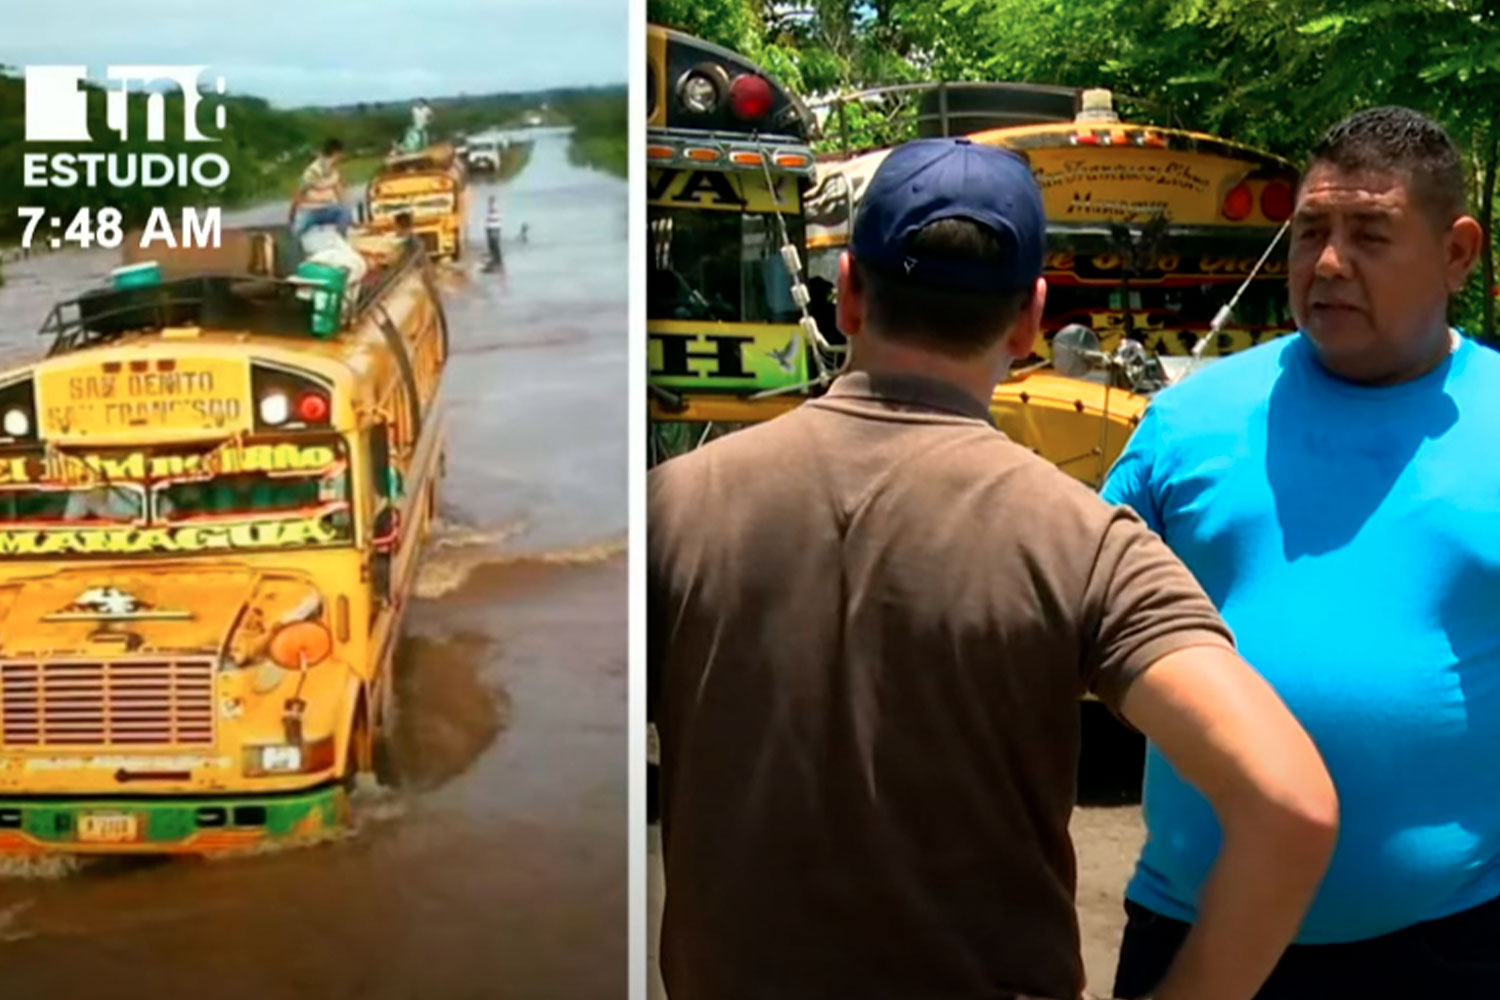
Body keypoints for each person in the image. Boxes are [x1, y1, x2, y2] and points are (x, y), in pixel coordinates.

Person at [648, 137, 1339, 1000]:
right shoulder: (1086, 544)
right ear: (1030, 319)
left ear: (851, 295)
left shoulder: (670, 509)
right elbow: (1292, 807)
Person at [1102, 105, 1500, 999]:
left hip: (1451, 945)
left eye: (1370, 234)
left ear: (1457, 252)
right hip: (1194, 937)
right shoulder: (1188, 421)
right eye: (1311, 230)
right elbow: (1072, 619)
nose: (1327, 262)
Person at [289, 138, 350, 238]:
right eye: (340, 155)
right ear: (336, 153)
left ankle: (340, 239)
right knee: (297, 230)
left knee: (345, 212)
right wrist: (292, 214)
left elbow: (340, 193)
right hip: (311, 211)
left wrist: (344, 205)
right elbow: (299, 192)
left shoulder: (333, 171)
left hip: (328, 208)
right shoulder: (313, 171)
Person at [484, 195, 504, 271]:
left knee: (494, 245)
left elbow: (493, 215)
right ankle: (495, 261)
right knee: (492, 245)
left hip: (493, 228)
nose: (489, 203)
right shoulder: (491, 208)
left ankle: (497, 261)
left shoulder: (494, 207)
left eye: (490, 201)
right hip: (491, 228)